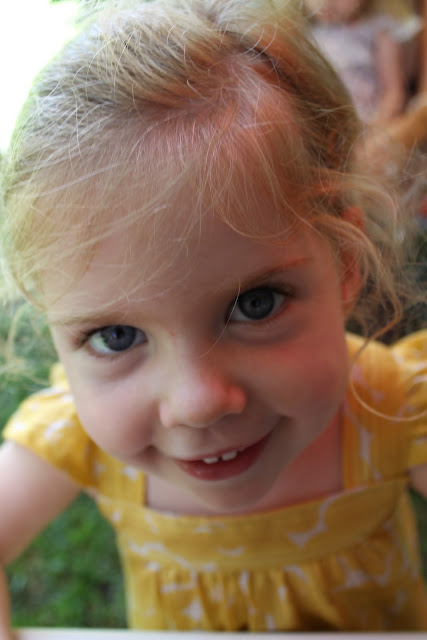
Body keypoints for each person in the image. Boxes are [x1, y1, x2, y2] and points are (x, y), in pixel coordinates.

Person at [0, 0, 426, 633]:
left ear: (344, 264)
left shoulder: (394, 409)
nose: (198, 402)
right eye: (117, 336)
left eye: (256, 304)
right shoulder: (75, 437)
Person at [304, 0, 409, 125]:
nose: (326, 2)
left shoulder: (378, 31)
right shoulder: (307, 35)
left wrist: (378, 127)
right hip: (329, 126)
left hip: (369, 123)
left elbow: (393, 92)